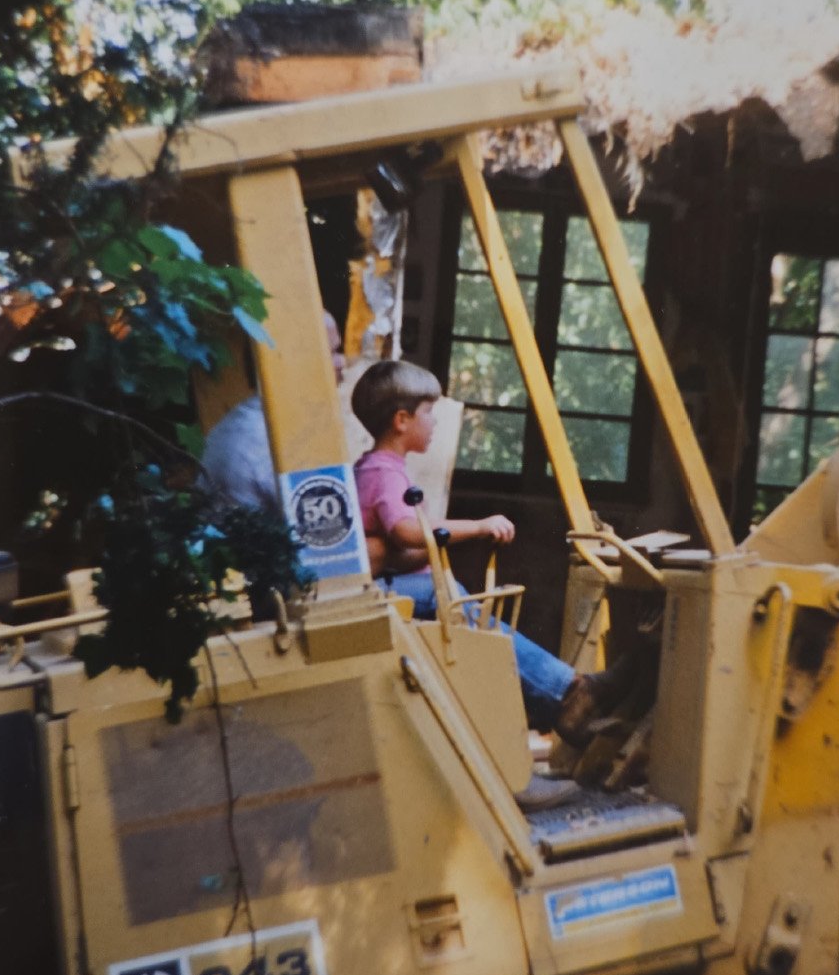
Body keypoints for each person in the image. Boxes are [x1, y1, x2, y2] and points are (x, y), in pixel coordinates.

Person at [351, 359, 635, 750]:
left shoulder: (375, 467)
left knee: (463, 606)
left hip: (380, 586)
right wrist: (480, 526)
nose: (434, 423)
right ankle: (567, 693)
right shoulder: (385, 471)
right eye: (429, 413)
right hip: (378, 594)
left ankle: (562, 699)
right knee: (447, 596)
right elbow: (407, 531)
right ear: (402, 420)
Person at [202, 311, 344, 513]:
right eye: (333, 352)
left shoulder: (253, 416)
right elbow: (324, 534)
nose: (342, 362)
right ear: (299, 359)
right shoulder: (273, 434)